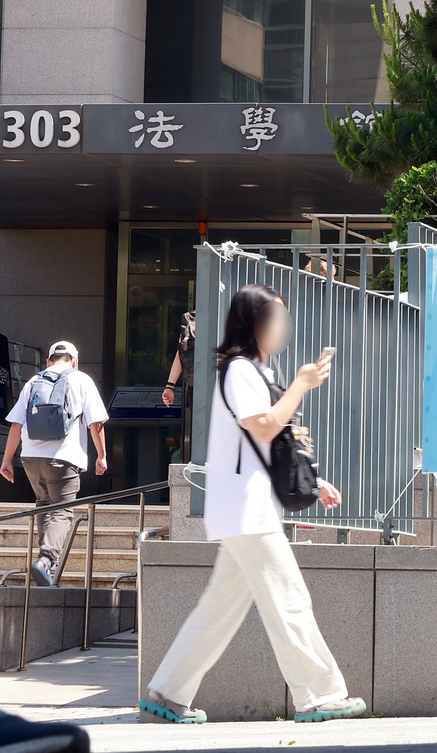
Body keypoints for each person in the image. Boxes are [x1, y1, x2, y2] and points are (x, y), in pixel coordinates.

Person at [139, 283, 366, 724]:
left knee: (218, 611)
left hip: (247, 509)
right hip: (248, 512)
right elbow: (262, 427)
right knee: (290, 600)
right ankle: (319, 695)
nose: (283, 326)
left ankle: (166, 694)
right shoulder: (240, 370)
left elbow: (271, 443)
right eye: (275, 317)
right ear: (254, 323)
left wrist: (313, 480)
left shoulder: (255, 373)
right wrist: (300, 386)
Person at [0, 340, 109, 587]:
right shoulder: (81, 380)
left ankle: (46, 564)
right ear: (74, 361)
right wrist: (101, 456)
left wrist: (7, 459)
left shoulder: (33, 381)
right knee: (62, 510)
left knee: (43, 504)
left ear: (48, 361)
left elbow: (16, 424)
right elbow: (97, 424)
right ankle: (46, 561)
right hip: (63, 457)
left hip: (31, 458)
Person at [163, 310, 196, 460]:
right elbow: (181, 352)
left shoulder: (190, 318)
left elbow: (180, 353)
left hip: (196, 387)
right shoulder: (189, 319)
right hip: (212, 385)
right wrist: (170, 386)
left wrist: (170, 386)